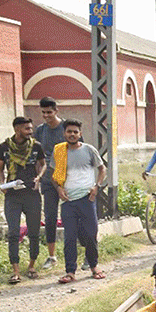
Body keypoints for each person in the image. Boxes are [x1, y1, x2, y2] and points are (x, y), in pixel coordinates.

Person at [50, 119, 106, 284]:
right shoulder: (59, 151)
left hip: (87, 199)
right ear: (64, 133)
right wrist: (59, 189)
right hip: (68, 201)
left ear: (80, 134)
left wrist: (97, 187)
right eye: (69, 132)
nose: (72, 134)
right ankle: (70, 271)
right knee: (69, 237)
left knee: (91, 234)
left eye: (75, 132)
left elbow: (102, 169)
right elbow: (54, 176)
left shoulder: (89, 150)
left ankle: (94, 266)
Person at [0, 116, 45, 284]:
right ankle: (15, 270)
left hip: (32, 194)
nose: (30, 132)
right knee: (13, 233)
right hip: (12, 195)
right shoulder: (4, 147)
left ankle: (31, 266)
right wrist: (3, 185)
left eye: (31, 129)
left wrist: (39, 177)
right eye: (27, 129)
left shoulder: (36, 146)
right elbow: (1, 169)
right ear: (17, 129)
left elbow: (43, 163)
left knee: (34, 232)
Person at [33, 97, 66, 270]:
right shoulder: (40, 131)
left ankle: (83, 252)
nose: (46, 116)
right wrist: (39, 176)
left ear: (56, 111)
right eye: (43, 112)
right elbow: (39, 157)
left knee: (75, 216)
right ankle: (52, 256)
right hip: (48, 180)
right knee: (50, 217)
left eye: (49, 112)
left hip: (68, 179)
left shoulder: (66, 127)